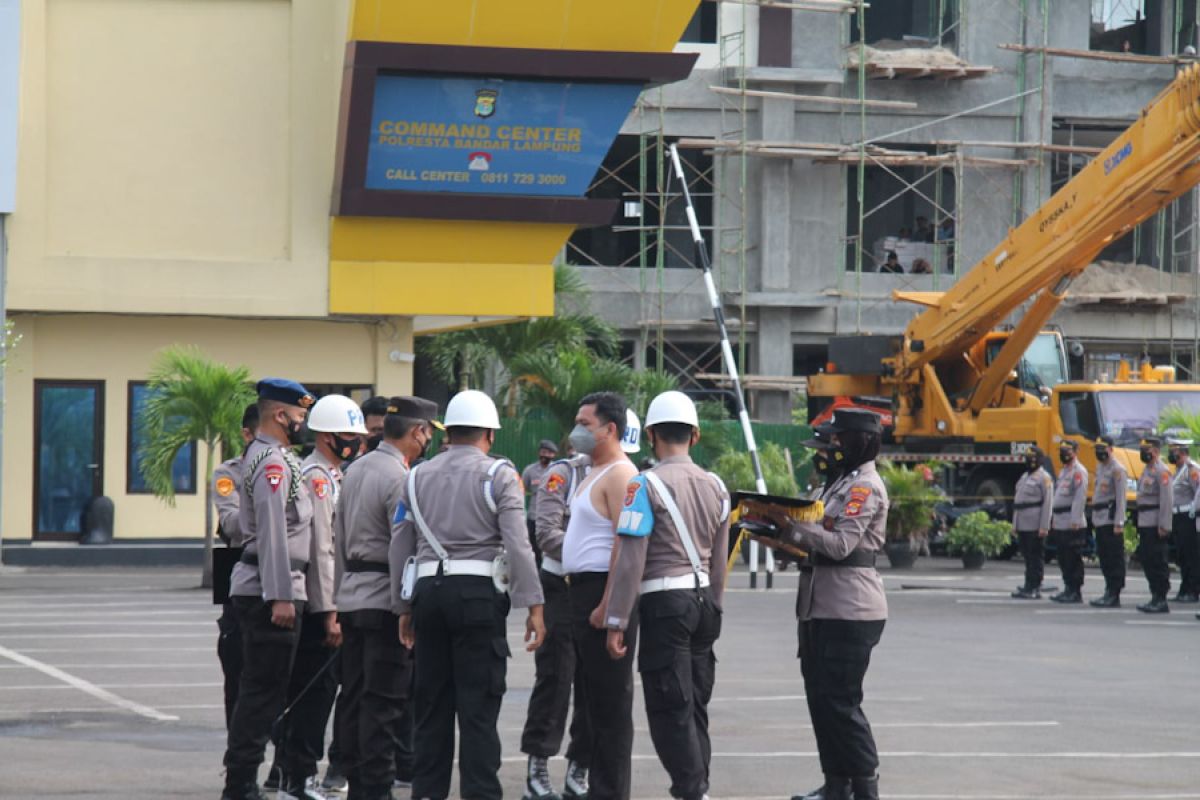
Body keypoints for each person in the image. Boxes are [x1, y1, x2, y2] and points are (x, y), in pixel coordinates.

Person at [391, 389, 546, 800]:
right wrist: (534, 604)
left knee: (430, 707)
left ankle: (427, 793)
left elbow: (399, 544)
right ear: (489, 435)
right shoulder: (499, 475)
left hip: (427, 592)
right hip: (477, 596)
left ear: (447, 432)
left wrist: (402, 605)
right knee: (477, 710)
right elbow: (518, 544)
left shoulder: (415, 476)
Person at [605, 392, 730, 800]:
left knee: (667, 707)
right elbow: (720, 563)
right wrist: (714, 607)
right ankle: (697, 786)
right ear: (695, 435)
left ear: (652, 435)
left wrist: (617, 619)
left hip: (665, 605)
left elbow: (630, 558)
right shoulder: (717, 486)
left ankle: (693, 791)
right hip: (704, 604)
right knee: (693, 706)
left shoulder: (644, 484)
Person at [763, 409, 888, 800]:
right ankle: (836, 786)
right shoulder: (839, 484)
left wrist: (792, 528)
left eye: (838, 439)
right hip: (819, 608)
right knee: (821, 701)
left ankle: (865, 789)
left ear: (858, 441)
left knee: (842, 703)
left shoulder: (864, 487)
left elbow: (840, 545)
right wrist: (778, 538)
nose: (832, 446)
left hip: (850, 610)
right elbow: (815, 540)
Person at [520, 410, 640, 800]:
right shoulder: (564, 472)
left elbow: (626, 538)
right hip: (560, 583)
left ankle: (581, 765)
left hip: (591, 584)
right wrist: (577, 552)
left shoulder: (616, 473)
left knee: (596, 690)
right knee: (556, 674)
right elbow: (545, 529)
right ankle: (539, 761)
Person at [333, 396, 439, 800]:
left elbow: (339, 538)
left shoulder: (356, 469)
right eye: (428, 432)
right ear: (417, 432)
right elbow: (402, 546)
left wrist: (340, 596)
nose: (428, 440)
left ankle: (359, 784)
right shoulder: (400, 478)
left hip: (353, 596)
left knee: (355, 698)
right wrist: (405, 607)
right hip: (383, 600)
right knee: (384, 704)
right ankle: (375, 790)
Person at [266, 395, 367, 798]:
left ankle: (295, 774)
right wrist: (331, 611)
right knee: (313, 692)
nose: (355, 443)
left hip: (324, 599)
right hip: (317, 603)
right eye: (348, 435)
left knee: (317, 692)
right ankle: (300, 776)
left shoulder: (334, 475)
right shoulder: (317, 477)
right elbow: (323, 548)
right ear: (326, 437)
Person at [221, 378, 315, 800]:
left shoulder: (273, 458)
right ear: (280, 416)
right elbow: (274, 532)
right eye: (299, 416)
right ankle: (240, 784)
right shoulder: (272, 463)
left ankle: (243, 781)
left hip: (269, 583)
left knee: (265, 691)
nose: (302, 423)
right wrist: (279, 594)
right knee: (260, 693)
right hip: (267, 586)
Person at [561, 392, 639, 800]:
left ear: (611, 429)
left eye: (585, 424)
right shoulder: (594, 471)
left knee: (610, 704)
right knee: (591, 698)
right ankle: (598, 788)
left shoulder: (621, 475)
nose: (577, 431)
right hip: (583, 592)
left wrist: (612, 608)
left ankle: (611, 791)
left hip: (601, 592)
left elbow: (624, 547)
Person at [214, 403, 259, 730]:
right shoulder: (228, 474)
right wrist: (270, 512)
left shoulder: (295, 469)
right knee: (235, 663)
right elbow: (230, 523)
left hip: (284, 568)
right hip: (235, 563)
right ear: (247, 434)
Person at [1089, 436, 1128, 608]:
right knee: (1104, 557)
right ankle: (1108, 590)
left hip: (1111, 520)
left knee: (1113, 558)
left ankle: (1114, 593)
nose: (1099, 451)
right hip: (1100, 519)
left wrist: (1119, 522)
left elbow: (1121, 498)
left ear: (1111, 449)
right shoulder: (1101, 468)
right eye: (1097, 448)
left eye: (1102, 448)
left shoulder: (1117, 469)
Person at [1135, 436, 1173, 613]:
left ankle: (1161, 598)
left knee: (1157, 561)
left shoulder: (1162, 471)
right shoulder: (1147, 470)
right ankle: (1154, 596)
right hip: (1145, 522)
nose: (1143, 453)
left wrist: (1164, 525)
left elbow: (1167, 500)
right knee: (1148, 559)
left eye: (1147, 450)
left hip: (1155, 523)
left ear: (1156, 452)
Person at [1010, 447, 1054, 600]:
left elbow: (1048, 503)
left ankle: (1035, 586)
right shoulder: (1024, 477)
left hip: (1035, 523)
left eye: (1033, 458)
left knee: (1036, 557)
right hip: (1023, 522)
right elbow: (1018, 502)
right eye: (1028, 458)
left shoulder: (1044, 477)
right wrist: (1015, 525)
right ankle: (1028, 584)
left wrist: (1044, 526)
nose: (1030, 461)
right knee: (1027, 556)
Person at [1049, 440, 1088, 604]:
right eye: (1062, 450)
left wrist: (1075, 520)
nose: (1064, 453)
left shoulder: (1079, 471)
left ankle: (1075, 591)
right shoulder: (1064, 471)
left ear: (1076, 451)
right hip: (1060, 521)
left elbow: (1080, 497)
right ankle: (1067, 588)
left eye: (1068, 450)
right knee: (1063, 557)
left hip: (1072, 522)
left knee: (1073, 558)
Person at [1167, 437, 1200, 604]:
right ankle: (1184, 588)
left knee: (1190, 555)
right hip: (1177, 516)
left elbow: (1198, 493)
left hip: (1189, 516)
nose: (1171, 454)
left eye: (1174, 451)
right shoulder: (1177, 471)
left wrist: (1194, 512)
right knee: (1181, 555)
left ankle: (1193, 590)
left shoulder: (1192, 470)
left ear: (1182, 452)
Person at [523, 439, 561, 560]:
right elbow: (521, 489)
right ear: (539, 452)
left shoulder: (555, 471)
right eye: (543, 452)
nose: (545, 455)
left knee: (548, 548)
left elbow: (554, 492)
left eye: (549, 453)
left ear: (553, 455)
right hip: (533, 516)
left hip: (550, 517)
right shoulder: (530, 470)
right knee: (532, 548)